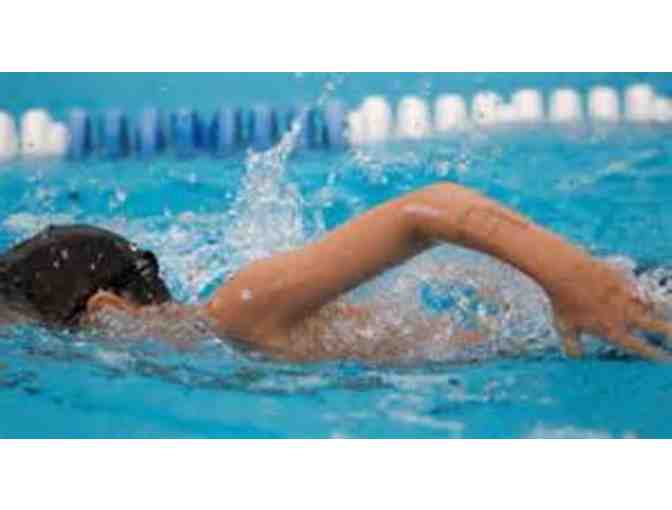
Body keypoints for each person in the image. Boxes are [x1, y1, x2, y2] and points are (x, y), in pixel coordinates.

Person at [1, 182, 671, 362]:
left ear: (105, 313)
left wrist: (571, 278)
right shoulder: (222, 348)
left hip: (619, 311)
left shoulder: (239, 311)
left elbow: (427, 209)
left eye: (38, 342)